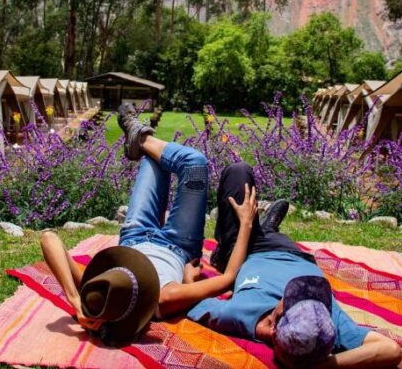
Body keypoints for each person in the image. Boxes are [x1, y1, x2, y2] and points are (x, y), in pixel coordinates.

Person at [40, 104, 258, 346]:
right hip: (179, 244)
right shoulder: (165, 298)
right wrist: (245, 224)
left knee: (153, 160)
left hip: (135, 234)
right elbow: (228, 278)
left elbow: (49, 238)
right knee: (195, 164)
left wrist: (74, 299)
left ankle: (140, 138)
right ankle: (141, 138)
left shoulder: (103, 293)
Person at [188, 162, 402, 368]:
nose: (307, 293)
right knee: (268, 232)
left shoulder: (237, 315)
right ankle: (268, 228)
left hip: (243, 252)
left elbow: (189, 302)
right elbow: (391, 350)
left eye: (294, 299)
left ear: (274, 327)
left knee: (238, 172)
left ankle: (236, 243)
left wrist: (190, 278)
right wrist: (323, 366)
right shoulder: (325, 323)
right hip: (293, 254)